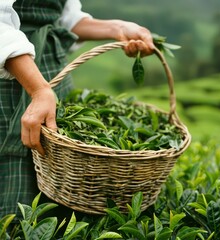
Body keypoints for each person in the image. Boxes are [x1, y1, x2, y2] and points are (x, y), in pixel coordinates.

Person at [0, 0, 154, 221]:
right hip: (12, 78)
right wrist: (38, 89)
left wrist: (118, 28)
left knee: (61, 176)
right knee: (14, 189)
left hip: (54, 78)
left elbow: (64, 18)